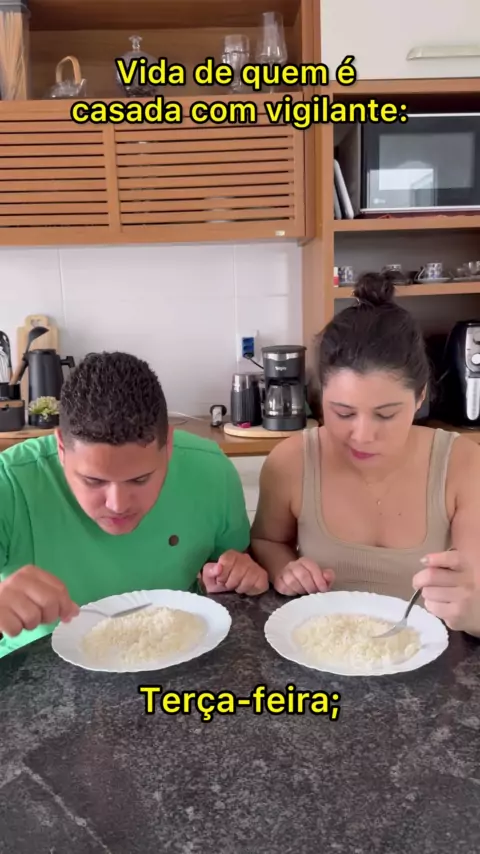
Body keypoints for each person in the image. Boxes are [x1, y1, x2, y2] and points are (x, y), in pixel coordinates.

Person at [251, 273, 480, 636]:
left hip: (427, 652)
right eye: (342, 413)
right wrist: (285, 569)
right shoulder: (291, 461)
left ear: (420, 397)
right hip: (322, 646)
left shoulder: (462, 464)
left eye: (386, 415)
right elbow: (267, 541)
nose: (362, 436)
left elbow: (475, 581)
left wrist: (472, 613)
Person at [0, 351, 268, 657]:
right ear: (61, 447)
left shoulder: (212, 472)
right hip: (35, 669)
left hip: (174, 657)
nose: (117, 505)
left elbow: (232, 568)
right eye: (93, 481)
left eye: (140, 480)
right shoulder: (10, 484)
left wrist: (232, 574)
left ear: (168, 446)